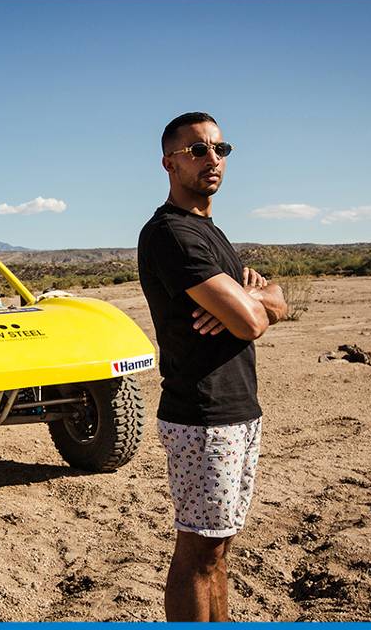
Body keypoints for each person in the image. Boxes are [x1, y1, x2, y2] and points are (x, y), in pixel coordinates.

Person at [137, 112, 288, 622]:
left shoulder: (209, 231)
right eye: (197, 150)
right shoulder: (172, 234)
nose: (212, 159)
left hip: (238, 408)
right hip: (202, 415)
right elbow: (252, 322)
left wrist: (251, 299)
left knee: (219, 547)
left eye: (220, 149)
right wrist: (247, 305)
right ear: (169, 163)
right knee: (198, 551)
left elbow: (275, 301)